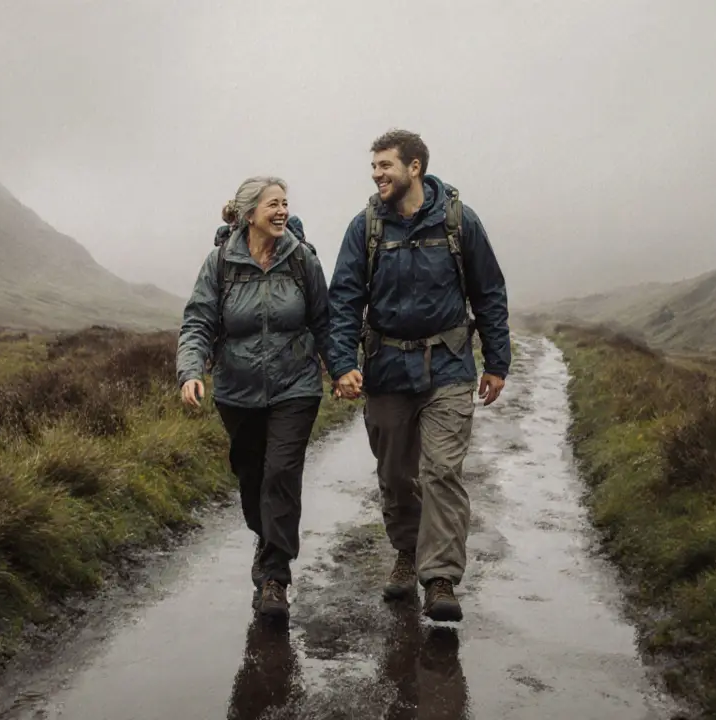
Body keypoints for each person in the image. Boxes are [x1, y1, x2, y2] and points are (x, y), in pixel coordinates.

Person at [325, 129, 511, 622]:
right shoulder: (364, 227)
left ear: (415, 168)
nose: (376, 174)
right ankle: (407, 552)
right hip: (385, 370)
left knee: (442, 471)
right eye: (374, 166)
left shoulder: (457, 222)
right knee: (395, 474)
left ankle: (441, 577)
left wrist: (497, 362)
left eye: (386, 165)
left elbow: (488, 290)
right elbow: (343, 299)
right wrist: (343, 363)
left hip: (448, 366)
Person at [176, 175, 333, 621]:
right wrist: (190, 370)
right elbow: (198, 321)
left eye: (285, 203)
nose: (282, 211)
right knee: (251, 476)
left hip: (295, 386)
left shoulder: (302, 260)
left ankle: (274, 578)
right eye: (273, 205)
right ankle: (267, 544)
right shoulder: (221, 262)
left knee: (280, 473)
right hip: (237, 392)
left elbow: (324, 321)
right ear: (249, 214)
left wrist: (342, 370)